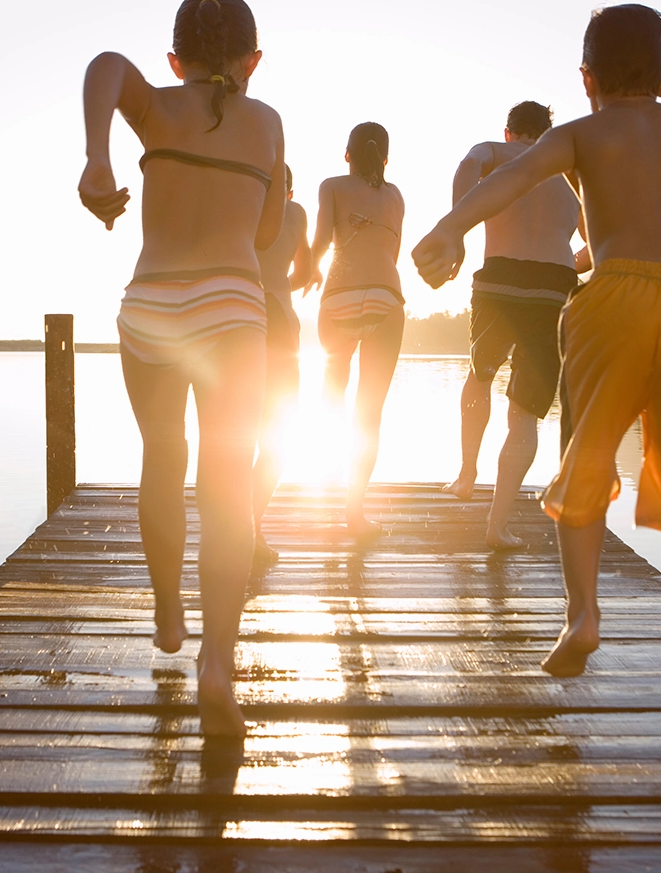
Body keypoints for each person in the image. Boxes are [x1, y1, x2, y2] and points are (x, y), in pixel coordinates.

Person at [413, 4, 661, 777]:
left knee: (587, 451)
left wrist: (450, 226)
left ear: (586, 79)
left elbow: (513, 174)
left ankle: (583, 613)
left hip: (618, 293)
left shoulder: (582, 134)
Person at [77, 0, 286, 737]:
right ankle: (217, 663)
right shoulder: (266, 123)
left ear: (174, 60)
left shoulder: (157, 107)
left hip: (153, 308)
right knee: (227, 479)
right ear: (253, 62)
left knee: (163, 458)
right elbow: (267, 231)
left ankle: (168, 603)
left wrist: (101, 156)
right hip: (231, 306)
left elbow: (105, 66)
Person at [441, 101, 587, 551]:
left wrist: (456, 230)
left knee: (480, 374)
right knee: (525, 411)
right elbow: (596, 242)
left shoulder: (495, 153)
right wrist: (567, 268)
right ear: (547, 133)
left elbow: (469, 163)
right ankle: (497, 526)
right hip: (552, 288)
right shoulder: (567, 177)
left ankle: (467, 477)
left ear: (509, 133)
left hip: (499, 280)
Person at [306, 122, 406, 541]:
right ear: (386, 158)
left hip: (339, 296)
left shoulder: (331, 186)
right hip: (386, 296)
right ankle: (355, 513)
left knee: (332, 395)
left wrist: (306, 268)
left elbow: (322, 243)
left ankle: (323, 489)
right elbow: (392, 251)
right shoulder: (396, 195)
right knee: (370, 413)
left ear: (346, 154)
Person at [252, 165, 311, 564]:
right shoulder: (297, 213)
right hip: (280, 324)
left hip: (239, 317)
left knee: (236, 434)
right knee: (275, 437)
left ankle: (236, 529)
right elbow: (305, 271)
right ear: (289, 191)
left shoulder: (243, 210)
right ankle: (250, 528)